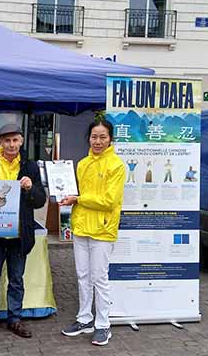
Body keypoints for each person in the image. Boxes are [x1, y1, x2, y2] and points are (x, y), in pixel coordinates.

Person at [0, 123, 46, 340]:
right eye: (7, 140)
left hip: (19, 234)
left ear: (22, 141)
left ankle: (15, 319)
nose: (11, 144)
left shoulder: (31, 167)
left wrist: (29, 188)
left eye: (15, 140)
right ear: (0, 141)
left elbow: (40, 200)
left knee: (16, 279)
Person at [60, 119, 125, 346]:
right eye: (94, 137)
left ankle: (103, 325)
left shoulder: (116, 165)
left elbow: (109, 201)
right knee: (83, 276)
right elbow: (75, 191)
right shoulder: (82, 164)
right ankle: (85, 319)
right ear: (88, 138)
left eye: (103, 137)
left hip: (103, 229)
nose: (97, 141)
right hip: (81, 227)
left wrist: (78, 199)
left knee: (100, 278)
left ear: (110, 139)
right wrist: (67, 196)